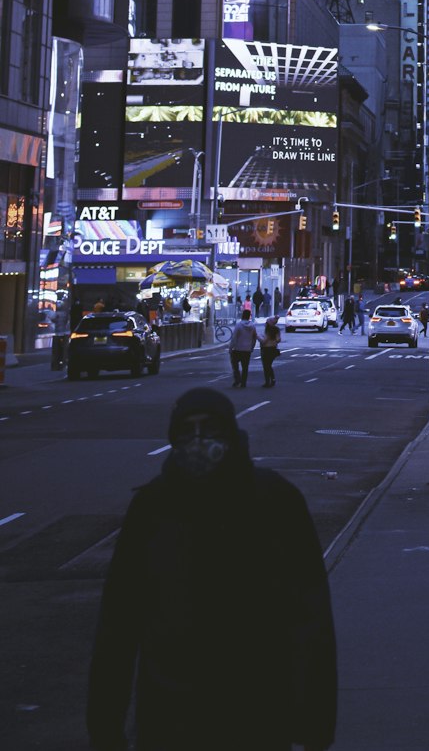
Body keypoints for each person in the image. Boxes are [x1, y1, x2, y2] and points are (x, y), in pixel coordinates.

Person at [86, 388, 337, 751]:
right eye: (187, 430)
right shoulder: (152, 507)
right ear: (174, 439)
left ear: (230, 434)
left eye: (210, 428)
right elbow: (119, 622)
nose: (198, 440)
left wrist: (315, 725)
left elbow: (310, 619)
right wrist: (105, 727)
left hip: (256, 713)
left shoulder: (276, 501)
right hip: (170, 716)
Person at [229, 309, 258, 388]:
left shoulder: (239, 325)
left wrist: (231, 347)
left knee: (235, 365)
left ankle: (237, 379)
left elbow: (234, 337)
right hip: (247, 349)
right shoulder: (252, 326)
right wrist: (252, 347)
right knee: (245, 367)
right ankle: (243, 382)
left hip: (238, 348)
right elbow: (254, 337)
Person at [260, 315, 281, 388]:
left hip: (266, 349)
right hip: (273, 349)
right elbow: (278, 339)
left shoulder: (268, 331)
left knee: (266, 366)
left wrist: (258, 337)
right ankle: (272, 379)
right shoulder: (277, 330)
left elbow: (264, 341)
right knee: (269, 365)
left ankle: (268, 381)